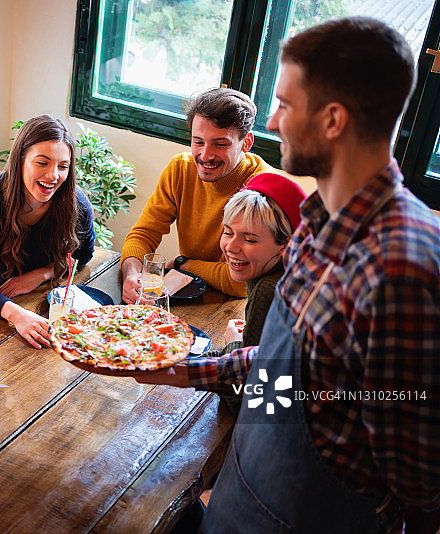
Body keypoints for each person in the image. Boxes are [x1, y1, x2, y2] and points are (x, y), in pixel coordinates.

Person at [138, 17, 440, 533]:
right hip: (247, 484)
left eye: (284, 104)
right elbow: (289, 362)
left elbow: (418, 473)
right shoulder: (316, 222)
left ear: (333, 119)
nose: (274, 122)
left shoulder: (403, 265)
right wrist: (184, 371)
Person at [120, 88, 272, 303]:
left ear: (246, 143)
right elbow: (143, 234)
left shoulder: (263, 187)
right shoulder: (180, 169)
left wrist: (184, 263)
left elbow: (240, 282)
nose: (205, 155)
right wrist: (132, 274)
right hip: (191, 290)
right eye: (198, 142)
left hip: (237, 307)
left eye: (220, 144)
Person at [0, 115, 95, 349]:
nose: (54, 175)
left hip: (45, 301)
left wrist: (43, 274)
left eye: (62, 166)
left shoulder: (76, 203)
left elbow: (83, 254)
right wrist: (17, 315)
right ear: (20, 160)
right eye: (42, 163)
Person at [200, 172, 306, 360]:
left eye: (250, 239)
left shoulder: (269, 289)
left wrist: (233, 343)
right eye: (228, 232)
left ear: (285, 245)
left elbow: (245, 376)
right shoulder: (288, 271)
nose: (231, 247)